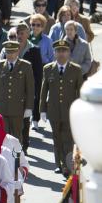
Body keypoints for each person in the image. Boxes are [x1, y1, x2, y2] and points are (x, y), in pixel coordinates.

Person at [40, 39, 84, 175]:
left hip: (69, 111)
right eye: (58, 51)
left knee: (68, 138)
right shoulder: (48, 69)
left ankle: (67, 164)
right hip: (53, 110)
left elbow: (80, 92)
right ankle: (58, 164)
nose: (61, 54)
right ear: (54, 53)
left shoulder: (76, 70)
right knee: (56, 138)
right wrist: (42, 110)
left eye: (64, 51)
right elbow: (43, 91)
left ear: (69, 53)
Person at [0, 41, 35, 144]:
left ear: (18, 51)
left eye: (12, 52)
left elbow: (30, 89)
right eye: (8, 52)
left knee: (16, 137)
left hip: (18, 108)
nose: (10, 55)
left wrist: (29, 107)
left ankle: (16, 160)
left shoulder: (26, 66)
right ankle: (5, 159)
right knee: (2, 136)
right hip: (2, 108)